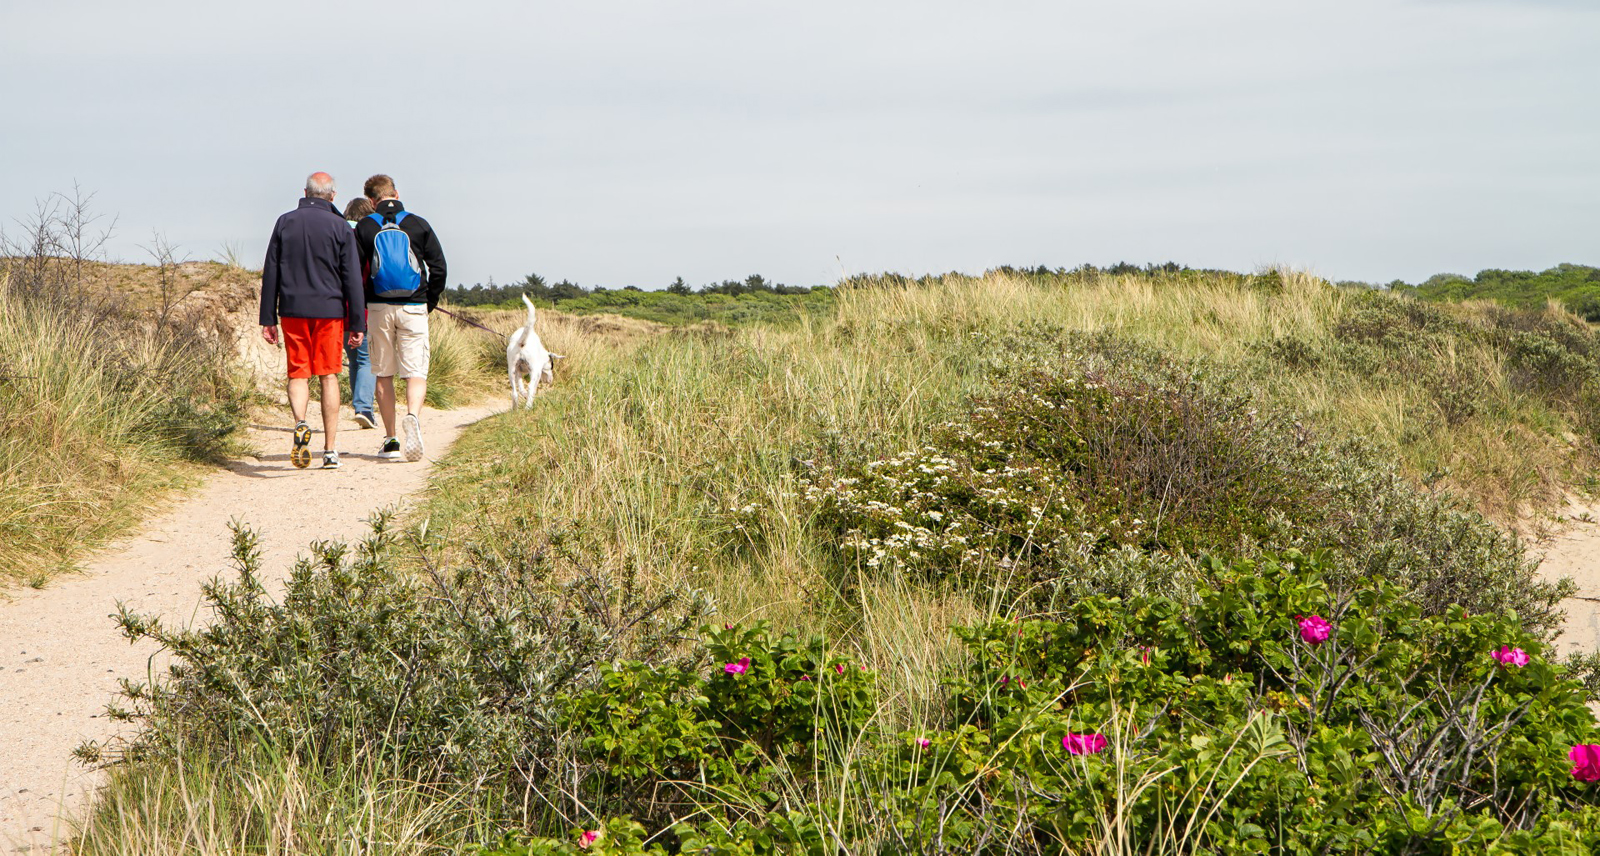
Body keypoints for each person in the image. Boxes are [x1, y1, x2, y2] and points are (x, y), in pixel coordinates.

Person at [258, 172, 365, 469]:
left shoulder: (285, 222)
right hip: (330, 312)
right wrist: (358, 323)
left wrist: (268, 317)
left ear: (305, 192)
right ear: (332, 196)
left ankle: (301, 421)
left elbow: (272, 271)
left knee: (298, 374)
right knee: (328, 375)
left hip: (292, 311)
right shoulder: (340, 226)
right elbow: (352, 279)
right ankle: (330, 450)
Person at [354, 174, 447, 462]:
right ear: (396, 192)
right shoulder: (418, 223)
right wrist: (428, 301)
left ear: (371, 200)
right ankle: (413, 417)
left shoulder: (366, 226)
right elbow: (439, 268)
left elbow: (355, 274)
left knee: (384, 373)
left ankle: (391, 439)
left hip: (379, 307)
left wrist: (361, 308)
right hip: (414, 306)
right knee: (415, 371)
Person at [342, 196, 378, 429]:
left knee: (354, 360)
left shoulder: (340, 236)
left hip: (338, 310)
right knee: (367, 360)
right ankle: (364, 407)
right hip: (363, 308)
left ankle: (359, 405)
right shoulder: (367, 238)